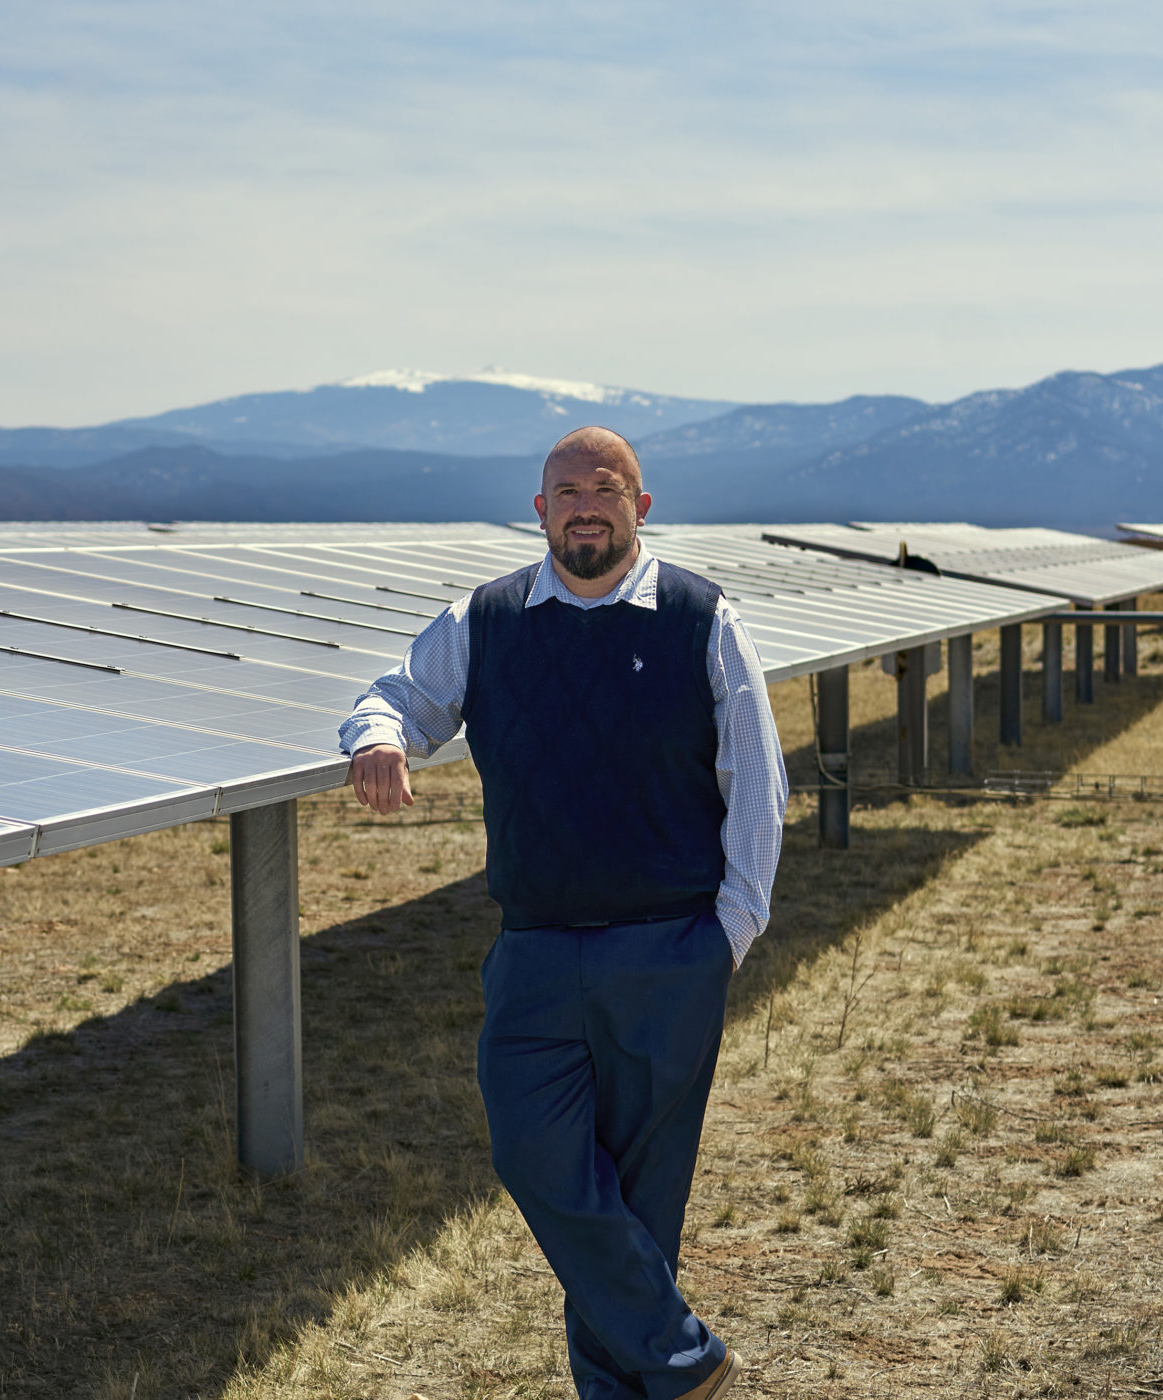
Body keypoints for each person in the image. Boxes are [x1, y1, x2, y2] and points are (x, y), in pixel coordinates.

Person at [340, 426, 786, 1400]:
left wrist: (727, 935)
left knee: (641, 1197)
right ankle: (680, 1354)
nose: (586, 503)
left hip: (669, 948)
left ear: (641, 505)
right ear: (540, 509)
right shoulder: (489, 618)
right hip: (536, 949)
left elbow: (755, 780)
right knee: (533, 1152)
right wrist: (379, 736)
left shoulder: (701, 620)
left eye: (606, 486)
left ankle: (630, 1384)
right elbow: (399, 695)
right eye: (566, 489)